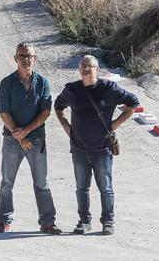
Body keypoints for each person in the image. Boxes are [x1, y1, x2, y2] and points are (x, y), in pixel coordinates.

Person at [54, 55, 139, 235]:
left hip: (102, 148)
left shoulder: (109, 88)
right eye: (83, 65)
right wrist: (66, 126)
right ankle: (84, 222)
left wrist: (115, 124)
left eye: (90, 66)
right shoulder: (71, 89)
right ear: (79, 69)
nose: (86, 69)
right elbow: (58, 106)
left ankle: (108, 222)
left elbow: (133, 103)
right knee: (82, 188)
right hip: (79, 149)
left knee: (105, 188)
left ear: (97, 70)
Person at [0, 42, 61, 234]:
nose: (25, 59)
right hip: (11, 140)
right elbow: (4, 112)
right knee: (7, 181)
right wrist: (19, 134)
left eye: (29, 56)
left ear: (35, 59)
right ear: (15, 58)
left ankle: (47, 222)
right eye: (22, 56)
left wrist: (27, 131)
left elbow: (45, 111)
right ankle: (3, 220)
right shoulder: (7, 83)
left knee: (42, 181)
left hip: (37, 139)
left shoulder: (43, 83)